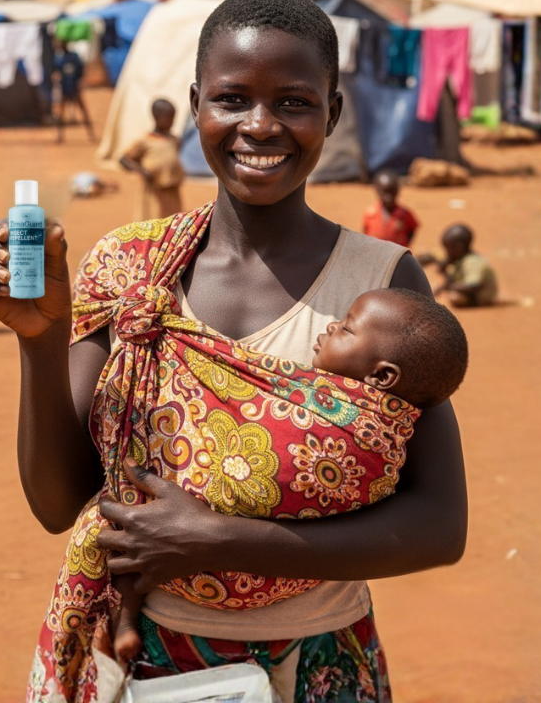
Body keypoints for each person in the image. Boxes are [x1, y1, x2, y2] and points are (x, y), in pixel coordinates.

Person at [0, 0, 466, 703]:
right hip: (147, 660)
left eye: (293, 102)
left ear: (331, 111)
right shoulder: (130, 270)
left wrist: (219, 540)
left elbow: (439, 524)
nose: (260, 126)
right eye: (232, 99)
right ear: (197, 102)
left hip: (316, 661)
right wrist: (42, 341)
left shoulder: (379, 283)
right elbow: (57, 503)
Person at [106, 285, 471, 666]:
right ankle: (127, 617)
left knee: (132, 498)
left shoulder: (371, 424)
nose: (329, 326)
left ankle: (127, 614)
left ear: (382, 376)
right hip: (187, 605)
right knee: (131, 512)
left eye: (346, 328)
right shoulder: (149, 266)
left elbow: (433, 525)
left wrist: (212, 535)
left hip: (317, 630)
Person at [119, 97, 186, 223]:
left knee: (173, 220)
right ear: (157, 117)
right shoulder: (144, 141)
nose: (172, 121)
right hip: (153, 189)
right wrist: (141, 170)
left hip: (172, 187)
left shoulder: (174, 139)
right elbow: (123, 159)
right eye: (169, 118)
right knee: (154, 218)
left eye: (173, 118)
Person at [421, 223, 498, 308]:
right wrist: (444, 269)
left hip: (479, 296)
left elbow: (473, 286)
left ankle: (470, 303)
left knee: (455, 297)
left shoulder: (473, 262)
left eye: (448, 249)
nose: (446, 252)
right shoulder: (459, 259)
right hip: (468, 290)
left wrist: (447, 287)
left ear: (458, 248)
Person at [359, 170, 419, 247]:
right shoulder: (370, 213)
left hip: (397, 255)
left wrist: (404, 245)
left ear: (397, 191)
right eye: (385, 193)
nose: (389, 197)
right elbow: (365, 231)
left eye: (392, 192)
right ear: (377, 191)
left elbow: (412, 230)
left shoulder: (405, 214)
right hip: (375, 253)